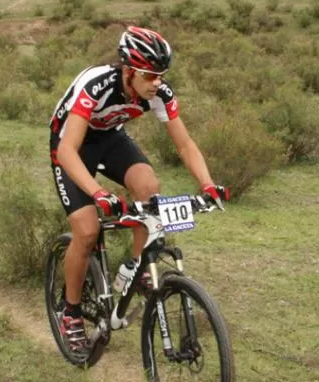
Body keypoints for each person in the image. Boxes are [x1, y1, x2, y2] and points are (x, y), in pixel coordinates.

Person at [49, 25, 229, 351]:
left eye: (161, 75)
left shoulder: (159, 92)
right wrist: (99, 193)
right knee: (87, 230)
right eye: (149, 76)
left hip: (110, 139)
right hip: (70, 145)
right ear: (128, 71)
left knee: (149, 189)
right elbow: (66, 151)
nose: (157, 82)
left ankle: (136, 267)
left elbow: (185, 144)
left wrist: (208, 185)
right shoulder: (97, 85)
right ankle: (70, 311)